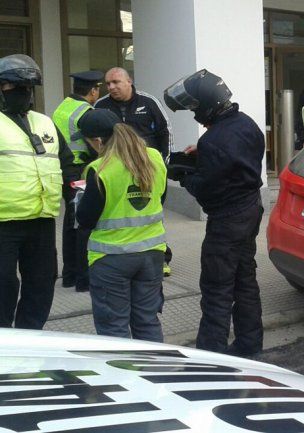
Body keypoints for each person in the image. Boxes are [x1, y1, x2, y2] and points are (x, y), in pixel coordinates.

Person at [163, 69, 264, 358]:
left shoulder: (214, 140)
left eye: (195, 107)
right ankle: (249, 345)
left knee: (217, 291)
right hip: (250, 210)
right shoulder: (247, 124)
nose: (195, 112)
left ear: (207, 104)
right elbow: (234, 162)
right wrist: (203, 156)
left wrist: (183, 176)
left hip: (227, 221)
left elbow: (207, 189)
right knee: (245, 281)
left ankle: (211, 358)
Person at [75, 109, 167, 342]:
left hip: (111, 258)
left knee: (114, 330)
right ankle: (156, 373)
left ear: (98, 140)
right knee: (147, 321)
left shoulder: (100, 169)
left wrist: (79, 199)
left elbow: (85, 219)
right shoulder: (154, 157)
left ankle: (123, 376)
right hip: (152, 254)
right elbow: (160, 198)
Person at [0, 54, 77, 329]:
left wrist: (77, 201)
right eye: (14, 88)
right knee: (4, 285)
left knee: (42, 282)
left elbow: (67, 165)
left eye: (27, 89)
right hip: (4, 223)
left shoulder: (45, 123)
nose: (23, 94)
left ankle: (30, 336)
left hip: (42, 221)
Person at [96, 67, 174, 276]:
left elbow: (165, 131)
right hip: (116, 175)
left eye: (116, 82)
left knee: (152, 216)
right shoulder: (101, 106)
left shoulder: (148, 102)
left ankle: (161, 257)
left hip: (148, 172)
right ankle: (121, 255)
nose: (111, 87)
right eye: (108, 83)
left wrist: (162, 167)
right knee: (120, 217)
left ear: (129, 81)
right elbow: (95, 139)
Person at [53, 70, 103, 292]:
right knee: (82, 224)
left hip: (63, 170)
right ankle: (83, 278)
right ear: (93, 91)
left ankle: (69, 274)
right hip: (78, 171)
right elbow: (97, 145)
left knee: (70, 222)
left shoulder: (63, 107)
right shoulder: (86, 112)